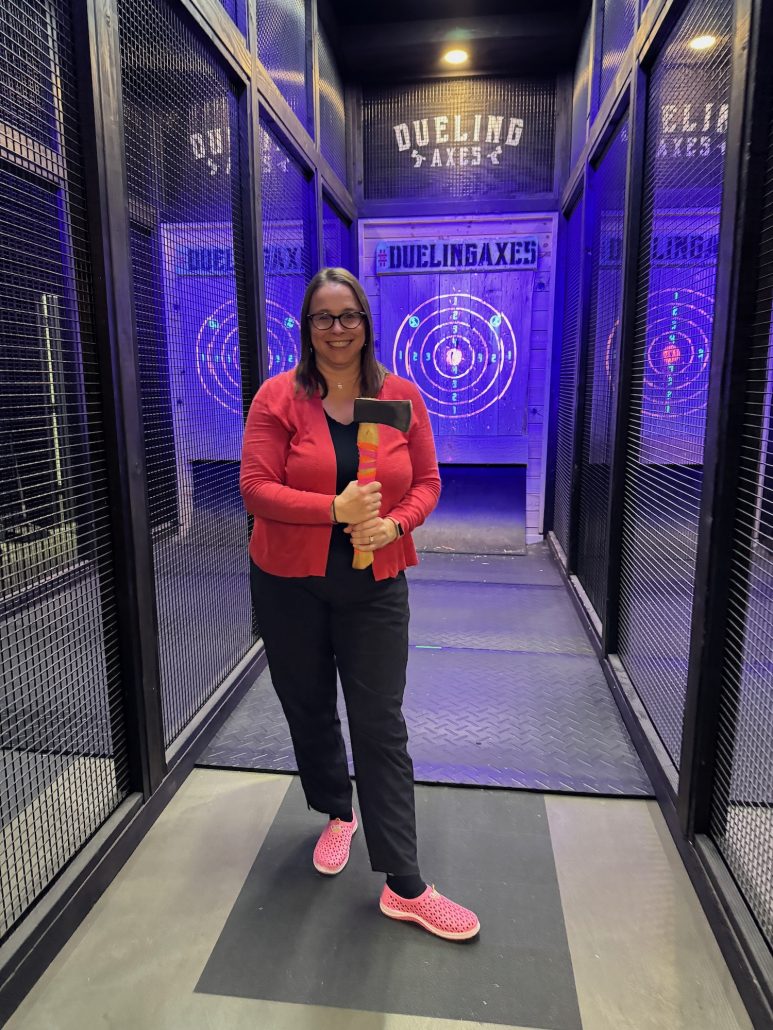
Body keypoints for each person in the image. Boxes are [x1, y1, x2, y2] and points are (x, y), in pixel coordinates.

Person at [240, 267, 480, 941]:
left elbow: (426, 482)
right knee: (309, 706)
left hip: (374, 585)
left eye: (348, 316)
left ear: (366, 324)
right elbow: (255, 488)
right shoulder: (277, 399)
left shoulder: (400, 395)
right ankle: (335, 811)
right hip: (288, 582)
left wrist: (395, 524)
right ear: (306, 328)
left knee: (379, 725)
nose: (338, 328)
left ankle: (404, 884)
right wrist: (333, 508)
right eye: (324, 317)